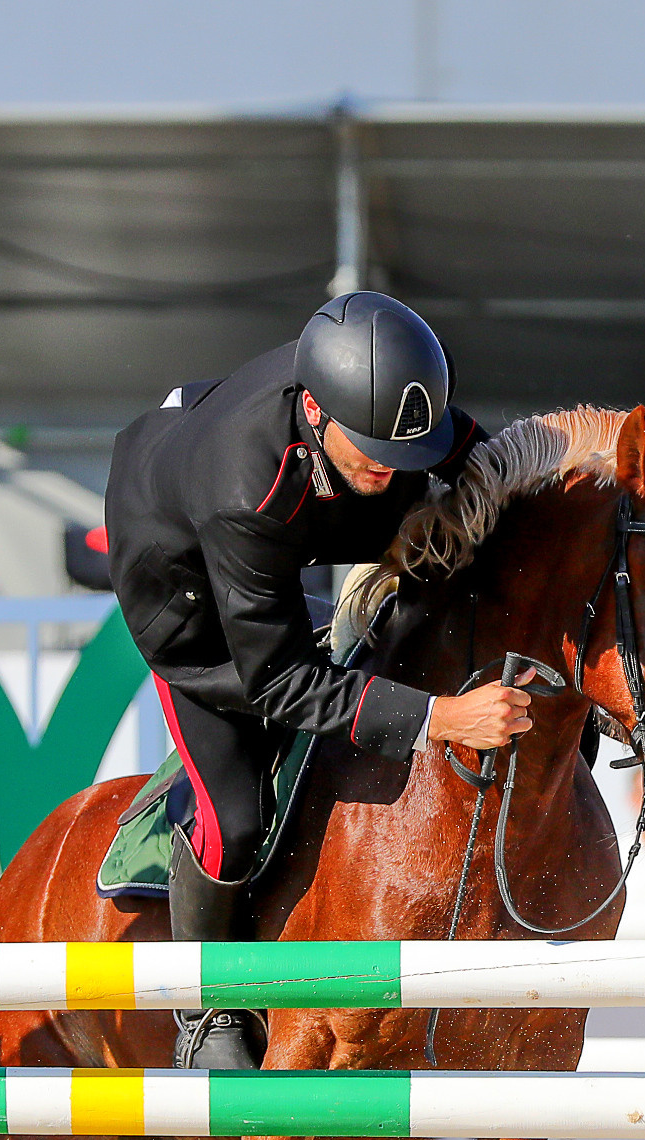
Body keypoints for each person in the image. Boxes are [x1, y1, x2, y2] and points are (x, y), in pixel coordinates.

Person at [104, 292, 532, 1069]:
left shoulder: (392, 415)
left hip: (262, 526)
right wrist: (440, 718)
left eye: (406, 448)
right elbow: (282, 682)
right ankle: (204, 1007)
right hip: (184, 590)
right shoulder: (246, 492)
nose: (392, 467)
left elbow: (485, 458)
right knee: (235, 814)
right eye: (372, 450)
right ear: (313, 408)